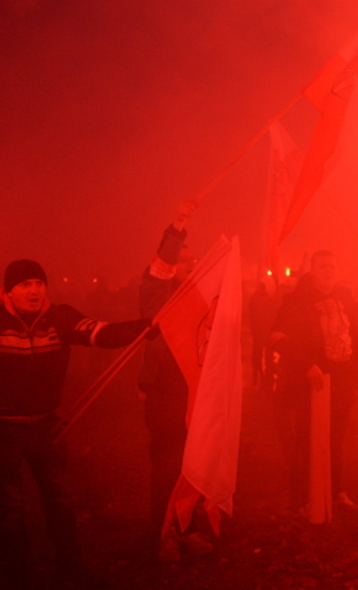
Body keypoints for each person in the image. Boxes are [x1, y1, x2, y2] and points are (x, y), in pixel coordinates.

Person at [0, 259, 151, 586]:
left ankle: (70, 564)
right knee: (9, 506)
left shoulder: (60, 317)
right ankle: (17, 570)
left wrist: (145, 326)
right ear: (7, 292)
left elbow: (102, 333)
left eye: (39, 283)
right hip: (4, 431)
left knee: (59, 499)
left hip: (46, 428)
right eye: (25, 285)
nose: (34, 290)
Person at [270, 250, 358, 511]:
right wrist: (306, 364)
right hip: (311, 383)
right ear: (313, 270)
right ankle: (302, 498)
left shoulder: (343, 296)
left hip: (341, 382)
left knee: (335, 439)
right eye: (322, 267)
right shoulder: (297, 300)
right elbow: (276, 336)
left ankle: (335, 491)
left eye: (332, 266)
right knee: (307, 440)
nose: (328, 271)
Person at [137, 201, 214, 562]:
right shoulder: (158, 296)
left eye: (193, 260)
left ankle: (187, 528)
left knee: (193, 463)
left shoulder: (199, 298)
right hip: (165, 393)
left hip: (193, 393)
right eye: (184, 260)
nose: (190, 265)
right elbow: (160, 269)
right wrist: (178, 226)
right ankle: (162, 533)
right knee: (168, 464)